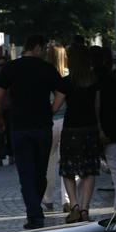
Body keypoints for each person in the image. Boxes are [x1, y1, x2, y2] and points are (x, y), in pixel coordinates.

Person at [0, 35, 65, 230]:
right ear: (36, 47)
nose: (44, 52)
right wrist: (52, 109)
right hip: (42, 127)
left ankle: (34, 214)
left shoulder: (10, 67)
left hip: (19, 127)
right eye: (43, 48)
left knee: (26, 173)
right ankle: (35, 210)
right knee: (40, 172)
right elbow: (61, 91)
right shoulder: (46, 68)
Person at [52, 44, 102, 223]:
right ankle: (85, 209)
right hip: (90, 128)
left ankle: (74, 206)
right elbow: (97, 107)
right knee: (89, 171)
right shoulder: (94, 81)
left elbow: (55, 107)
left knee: (68, 170)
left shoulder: (66, 82)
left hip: (71, 128)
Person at [90, 45, 116, 216]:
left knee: (85, 170)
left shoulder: (88, 80)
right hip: (111, 127)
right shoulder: (112, 80)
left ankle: (77, 203)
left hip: (90, 129)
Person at [42, 42, 71, 212]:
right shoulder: (68, 74)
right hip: (67, 121)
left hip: (50, 122)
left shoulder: (43, 74)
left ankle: (47, 198)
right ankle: (67, 200)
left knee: (49, 161)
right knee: (66, 160)